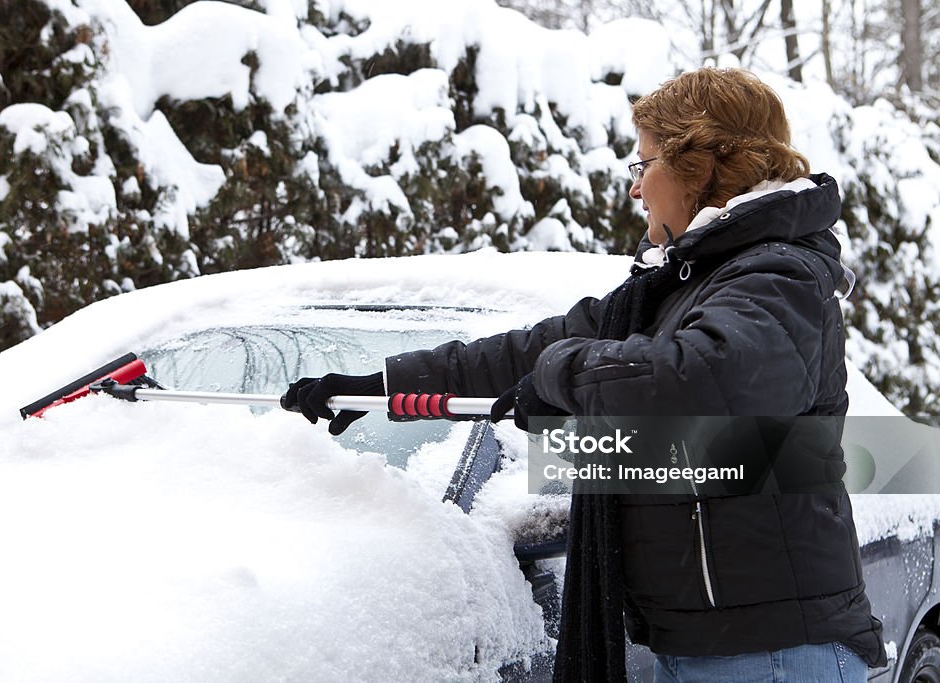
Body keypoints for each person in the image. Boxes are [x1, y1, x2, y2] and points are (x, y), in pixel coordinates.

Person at [281, 67, 886, 682]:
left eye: (643, 165)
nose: (635, 189)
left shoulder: (776, 277)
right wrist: (382, 384)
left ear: (699, 167)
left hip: (770, 652)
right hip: (710, 643)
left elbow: (701, 380)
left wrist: (557, 377)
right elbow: (527, 351)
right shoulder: (681, 286)